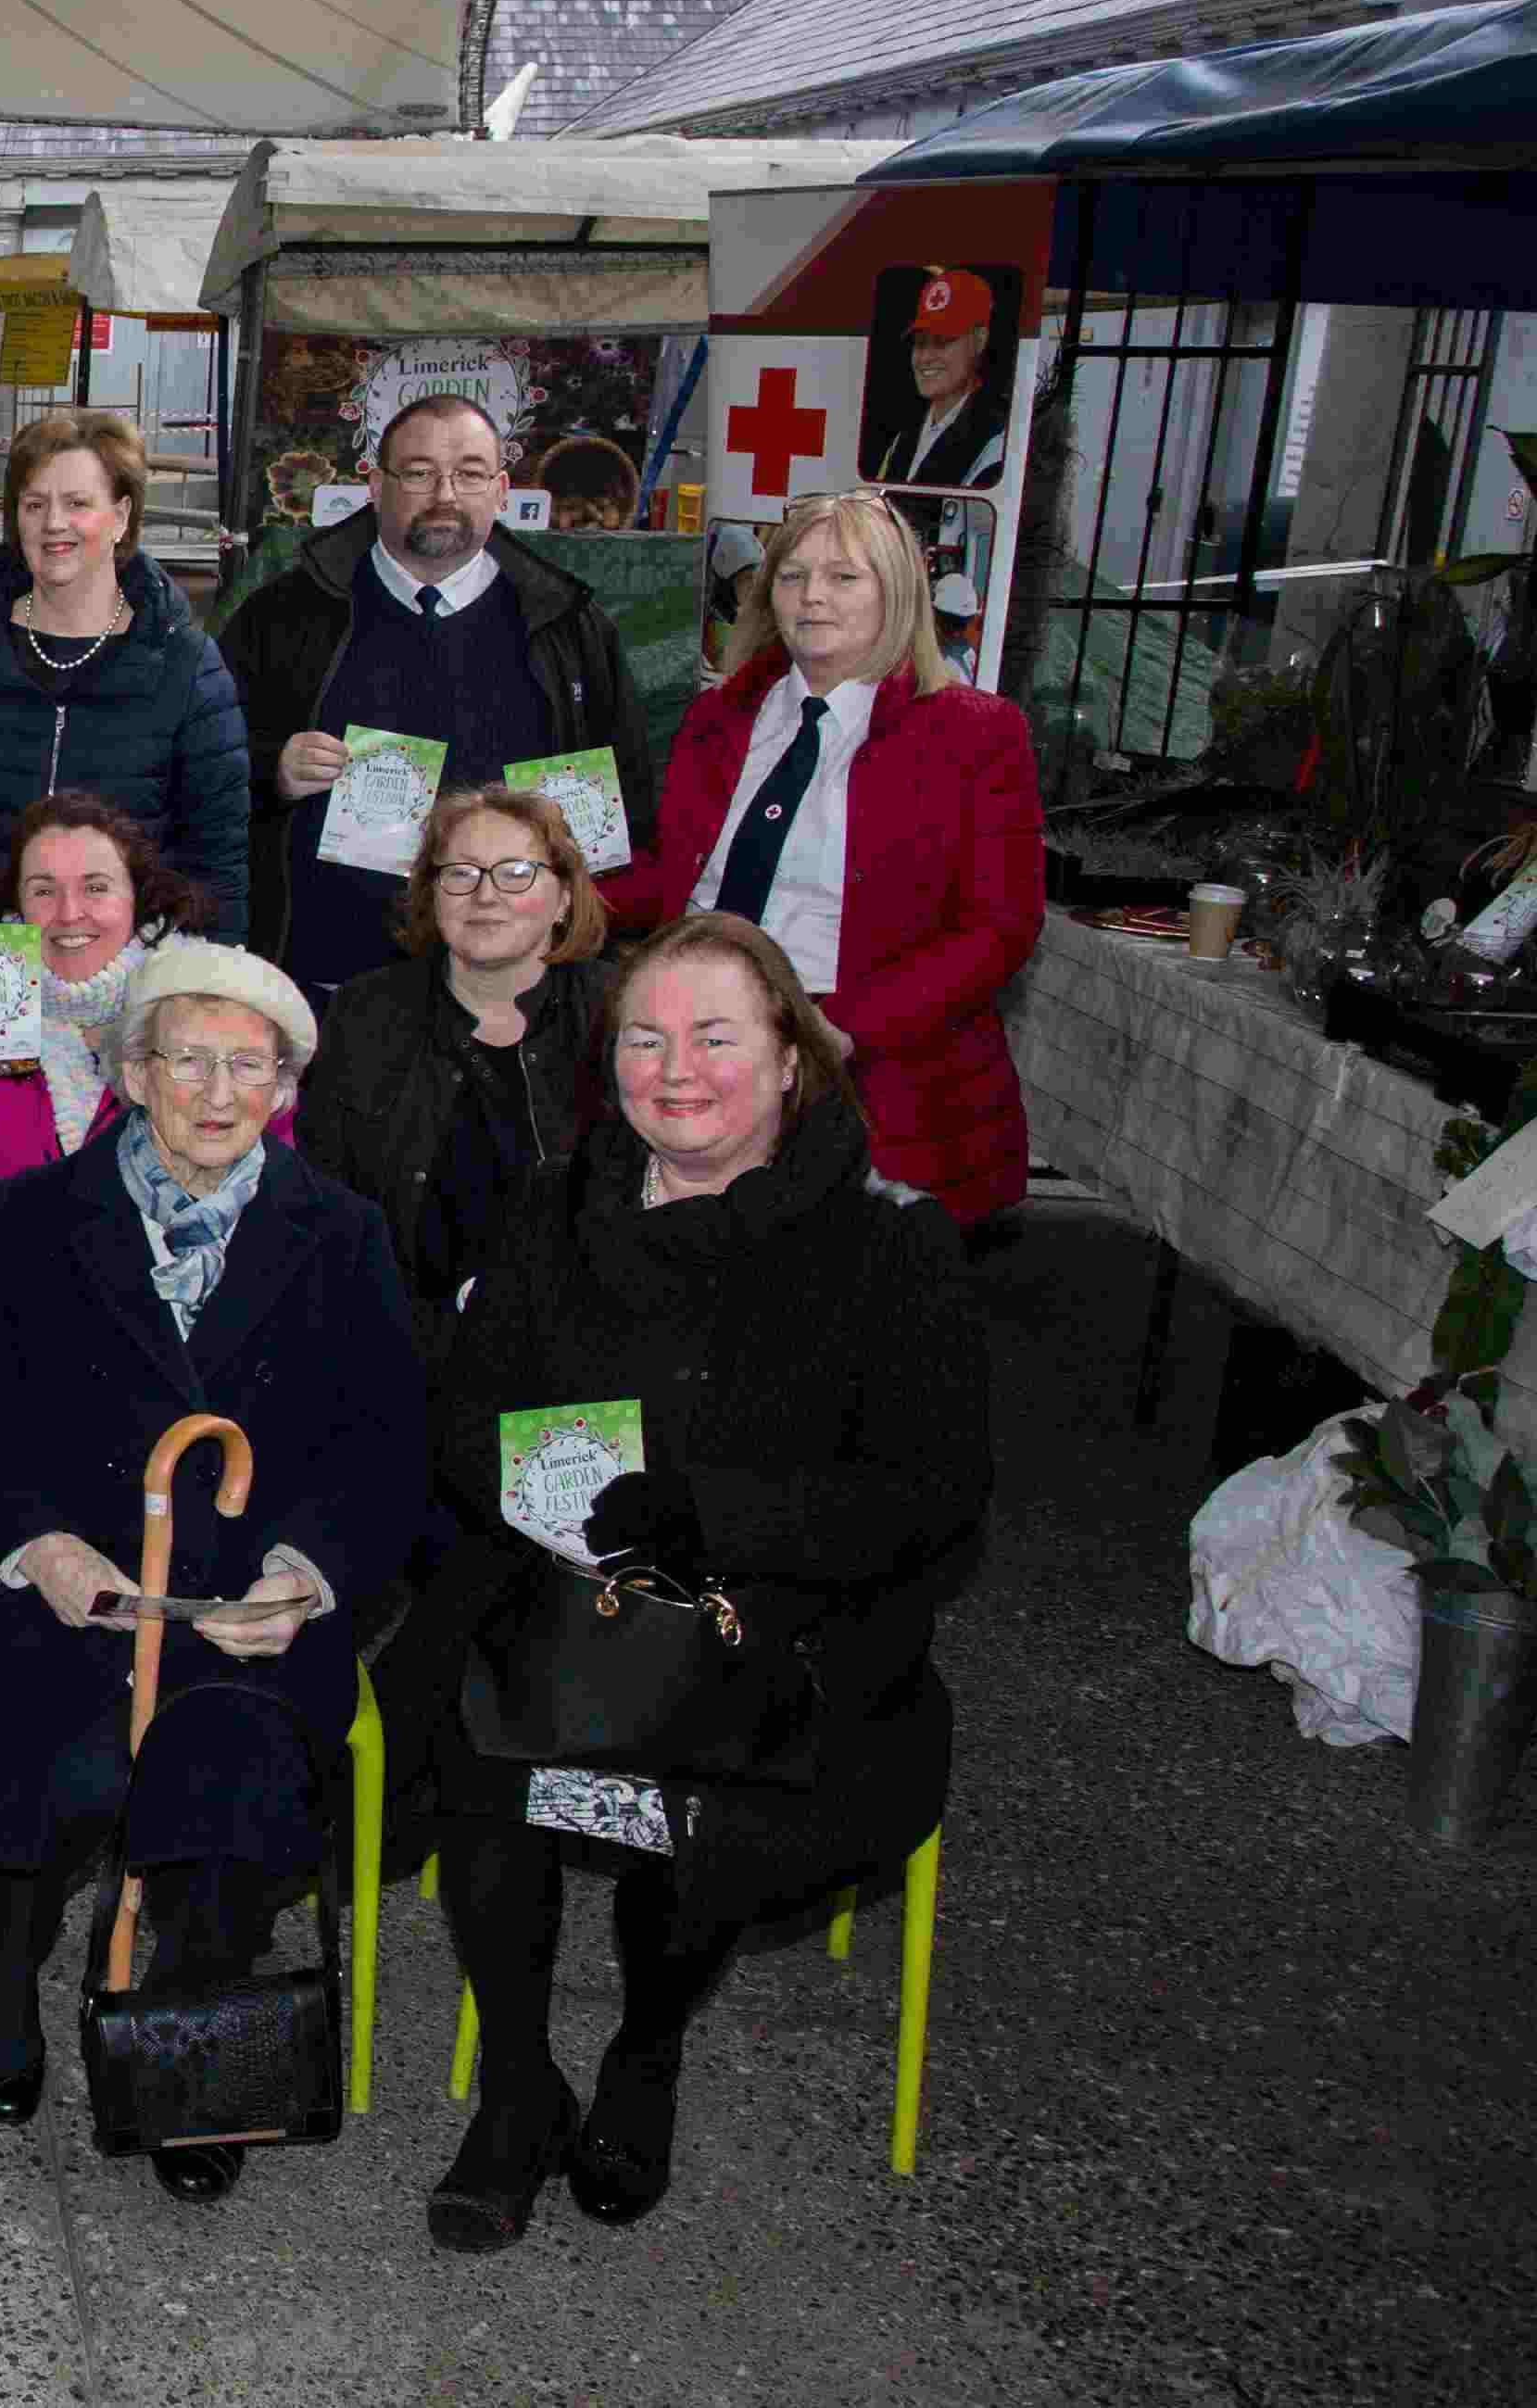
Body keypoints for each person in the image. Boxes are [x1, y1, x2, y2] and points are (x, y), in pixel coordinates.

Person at [395, 914, 986, 2252]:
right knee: (471, 1738)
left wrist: (709, 1514)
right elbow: (465, 1404)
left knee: (707, 1792)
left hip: (779, 1617)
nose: (676, 1069)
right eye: (645, 1039)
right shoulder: (557, 1202)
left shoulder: (888, 1247)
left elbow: (928, 1497)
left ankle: (644, 2052)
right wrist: (530, 1489)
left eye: (714, 1036)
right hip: (557, 1590)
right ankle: (517, 2081)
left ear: (788, 1059)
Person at [0, 945, 426, 2197]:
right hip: (71, 1590)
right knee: (55, 1750)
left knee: (230, 1770)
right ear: (132, 1071)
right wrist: (39, 1543)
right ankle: (9, 1952)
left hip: (242, 1610)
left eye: (247, 1062)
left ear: (282, 1085)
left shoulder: (341, 1235)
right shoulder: (30, 1219)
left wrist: (301, 1573)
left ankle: (194, 2028)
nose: (216, 1087)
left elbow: (385, 1450)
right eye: (186, 1056)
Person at [602, 490, 1042, 1224]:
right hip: (703, 1048)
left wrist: (843, 1026)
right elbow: (674, 877)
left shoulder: (975, 734)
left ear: (895, 591)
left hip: (878, 1073)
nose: (812, 597)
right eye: (791, 576)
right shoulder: (718, 716)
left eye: (843, 577)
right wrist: (553, 892)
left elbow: (998, 929)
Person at [218, 396, 656, 997]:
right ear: (374, 484)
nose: (444, 493)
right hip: (324, 980)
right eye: (419, 472)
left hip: (514, 993)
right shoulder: (283, 617)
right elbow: (201, 772)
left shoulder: (568, 631)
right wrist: (273, 770)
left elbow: (629, 806)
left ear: (501, 490)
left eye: (469, 473)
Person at [294, 786, 622, 1367]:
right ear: (431, 893)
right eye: (461, 872)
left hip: (587, 1350)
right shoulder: (364, 1015)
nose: (485, 895)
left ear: (565, 897)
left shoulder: (622, 1013)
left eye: (516, 872)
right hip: (404, 1345)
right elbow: (324, 1204)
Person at [0, 790, 205, 1365]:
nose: (69, 913)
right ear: (19, 904)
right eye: (44, 890)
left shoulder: (199, 1015)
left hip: (154, 1352)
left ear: (138, 899)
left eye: (96, 888)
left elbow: (258, 1205)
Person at [0, 412, 249, 940]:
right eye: (34, 504)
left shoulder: (186, 665)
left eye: (77, 503)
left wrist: (211, 987)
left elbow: (218, 858)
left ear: (122, 515)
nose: (53, 523)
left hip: (124, 967)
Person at [864, 270, 1007, 493]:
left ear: (980, 340)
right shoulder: (903, 439)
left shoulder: (995, 445)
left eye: (943, 341)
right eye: (920, 343)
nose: (926, 357)